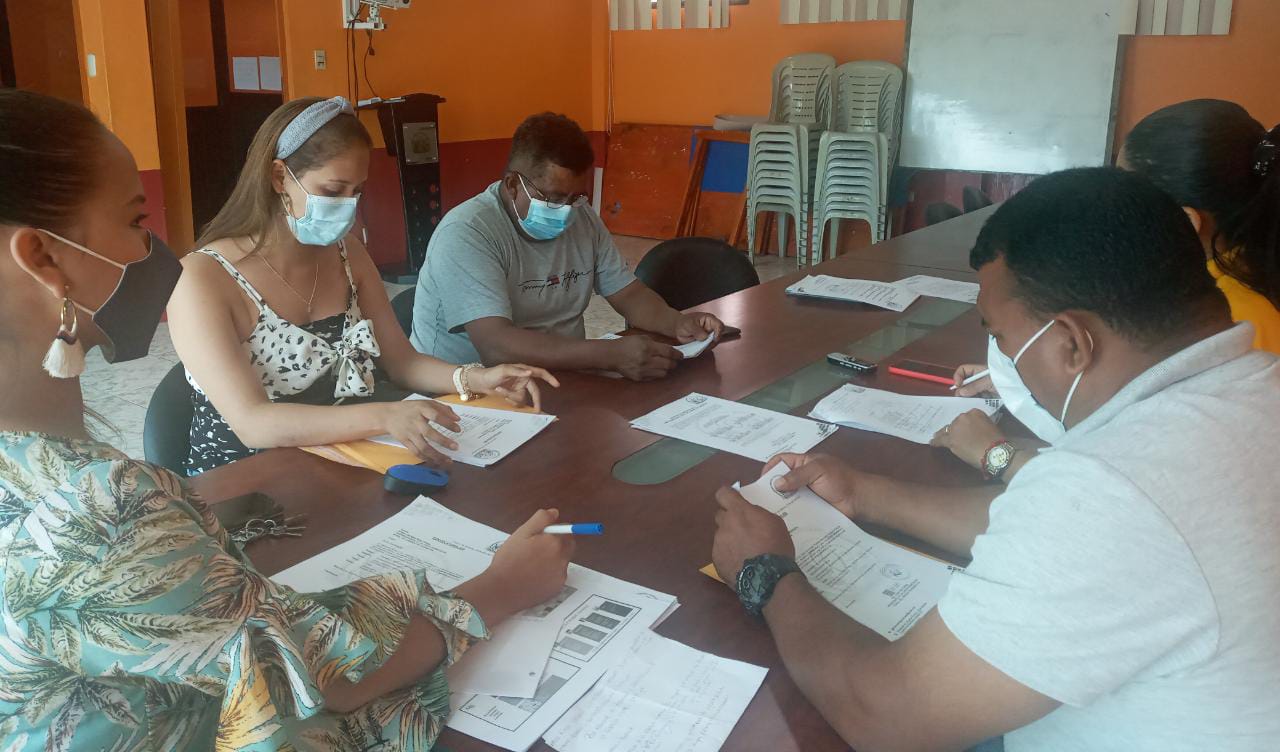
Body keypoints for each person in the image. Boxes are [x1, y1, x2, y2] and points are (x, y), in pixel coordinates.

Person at [0, 88, 574, 751]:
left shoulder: (58, 478)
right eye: (136, 220)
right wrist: (501, 587)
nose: (150, 246)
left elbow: (401, 359)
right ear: (43, 258)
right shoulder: (96, 512)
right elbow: (323, 674)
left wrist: (469, 379)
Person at [711, 168, 1280, 751]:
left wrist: (764, 573)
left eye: (1001, 337)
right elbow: (1060, 527)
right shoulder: (1253, 390)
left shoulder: (1118, 487)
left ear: (1071, 343)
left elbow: (885, 715)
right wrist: (864, 495)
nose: (1000, 359)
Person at [168, 96, 559, 475]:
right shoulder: (202, 278)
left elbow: (402, 362)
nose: (348, 206)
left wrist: (475, 378)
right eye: (332, 191)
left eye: (357, 191)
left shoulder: (346, 253)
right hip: (247, 478)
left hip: (349, 458)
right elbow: (254, 423)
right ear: (279, 177)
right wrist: (385, 416)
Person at [935, 99, 1280, 479]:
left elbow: (1160, 479)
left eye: (1123, 197)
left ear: (1184, 220)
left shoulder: (1236, 318)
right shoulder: (1222, 279)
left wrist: (997, 454)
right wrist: (1031, 374)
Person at [410, 112, 725, 381]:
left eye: (575, 197)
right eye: (553, 197)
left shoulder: (581, 218)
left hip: (563, 376)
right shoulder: (468, 232)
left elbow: (629, 295)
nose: (565, 210)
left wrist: (676, 322)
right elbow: (496, 346)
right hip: (465, 392)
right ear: (513, 185)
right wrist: (607, 355)